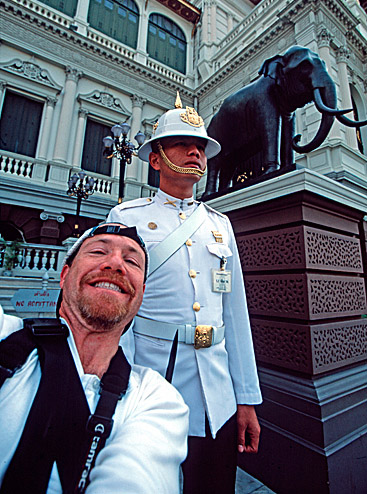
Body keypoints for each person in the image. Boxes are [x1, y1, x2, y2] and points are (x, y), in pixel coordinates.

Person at [107, 95, 262, 494]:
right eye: (181, 143)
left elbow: (236, 314)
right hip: (151, 383)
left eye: (201, 146)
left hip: (217, 395)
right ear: (155, 158)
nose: (195, 151)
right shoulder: (128, 218)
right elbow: (115, 312)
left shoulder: (220, 224)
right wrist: (112, 389)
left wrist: (246, 398)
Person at [0, 223, 188, 493]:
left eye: (131, 260)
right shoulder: (5, 336)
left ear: (141, 294)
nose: (115, 264)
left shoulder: (156, 399)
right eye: (99, 252)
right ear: (64, 275)